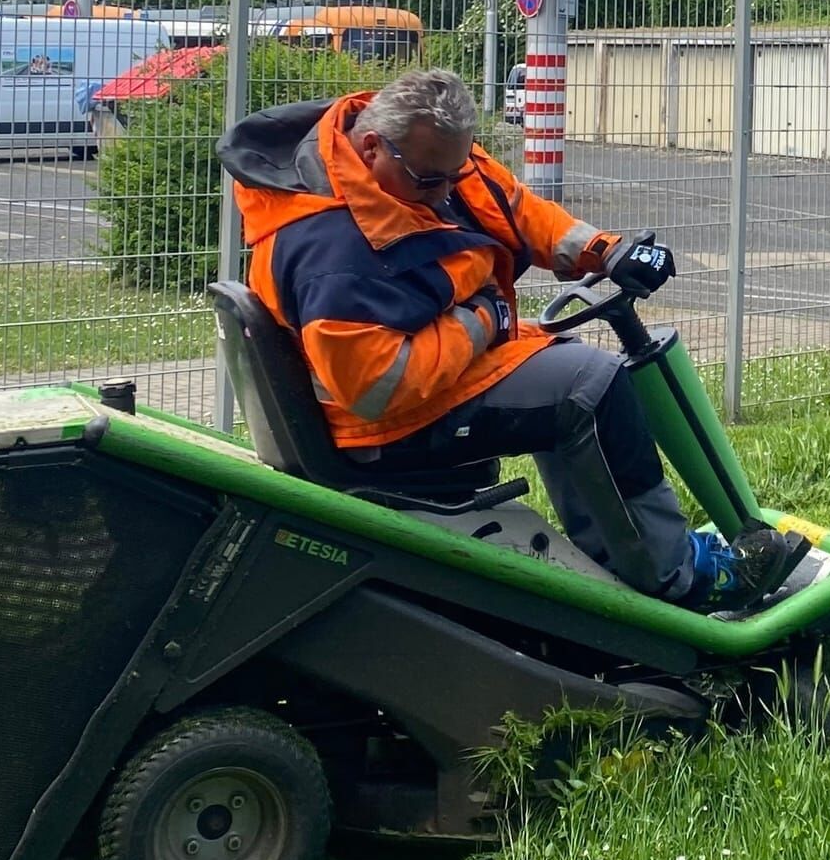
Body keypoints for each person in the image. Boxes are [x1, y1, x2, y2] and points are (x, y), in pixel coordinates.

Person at [217, 68, 799, 612]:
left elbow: (511, 207)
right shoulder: (331, 251)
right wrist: (484, 321)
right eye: (431, 181)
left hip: (441, 372)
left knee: (563, 370)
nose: (446, 193)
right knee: (588, 390)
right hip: (382, 427)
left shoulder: (421, 160)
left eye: (455, 172)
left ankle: (626, 555)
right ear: (372, 149)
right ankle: (681, 579)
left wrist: (606, 250)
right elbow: (376, 387)